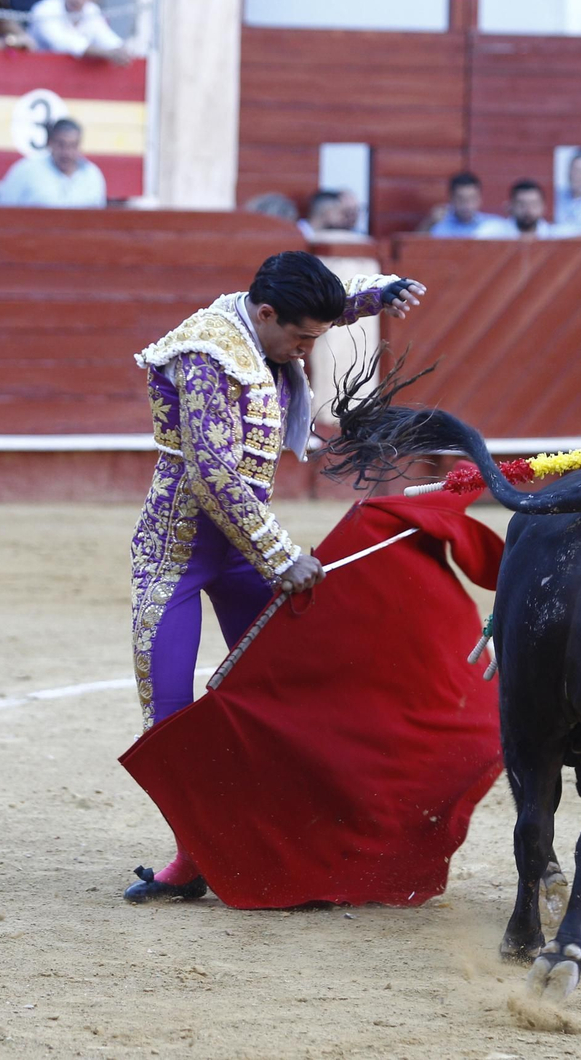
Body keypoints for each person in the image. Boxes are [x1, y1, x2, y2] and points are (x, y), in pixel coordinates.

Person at [124, 250, 427, 903]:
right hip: (176, 552)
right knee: (170, 715)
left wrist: (377, 294)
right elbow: (212, 472)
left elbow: (325, 306)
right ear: (265, 314)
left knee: (294, 688)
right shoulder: (205, 353)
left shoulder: (270, 320)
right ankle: (194, 855)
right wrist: (280, 555)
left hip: (238, 548)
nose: (305, 351)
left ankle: (306, 845)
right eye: (301, 338)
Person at [0, 118, 105, 208]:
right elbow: (4, 212)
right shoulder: (25, 171)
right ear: (50, 143)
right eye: (61, 145)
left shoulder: (92, 175)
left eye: (73, 146)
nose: (67, 153)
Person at [28, 0, 132, 64]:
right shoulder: (45, 9)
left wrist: (121, 50)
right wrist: (107, 54)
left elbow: (106, 38)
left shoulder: (92, 10)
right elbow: (63, 43)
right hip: (39, 72)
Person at [424, 171, 511, 238]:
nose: (467, 204)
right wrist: (429, 223)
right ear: (451, 199)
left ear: (479, 199)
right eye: (461, 199)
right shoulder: (439, 225)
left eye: (471, 198)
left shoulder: (495, 226)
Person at [476, 179, 570, 240]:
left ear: (544, 207)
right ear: (510, 206)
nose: (528, 210)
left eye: (534, 204)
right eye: (521, 204)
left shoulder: (555, 236)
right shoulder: (493, 233)